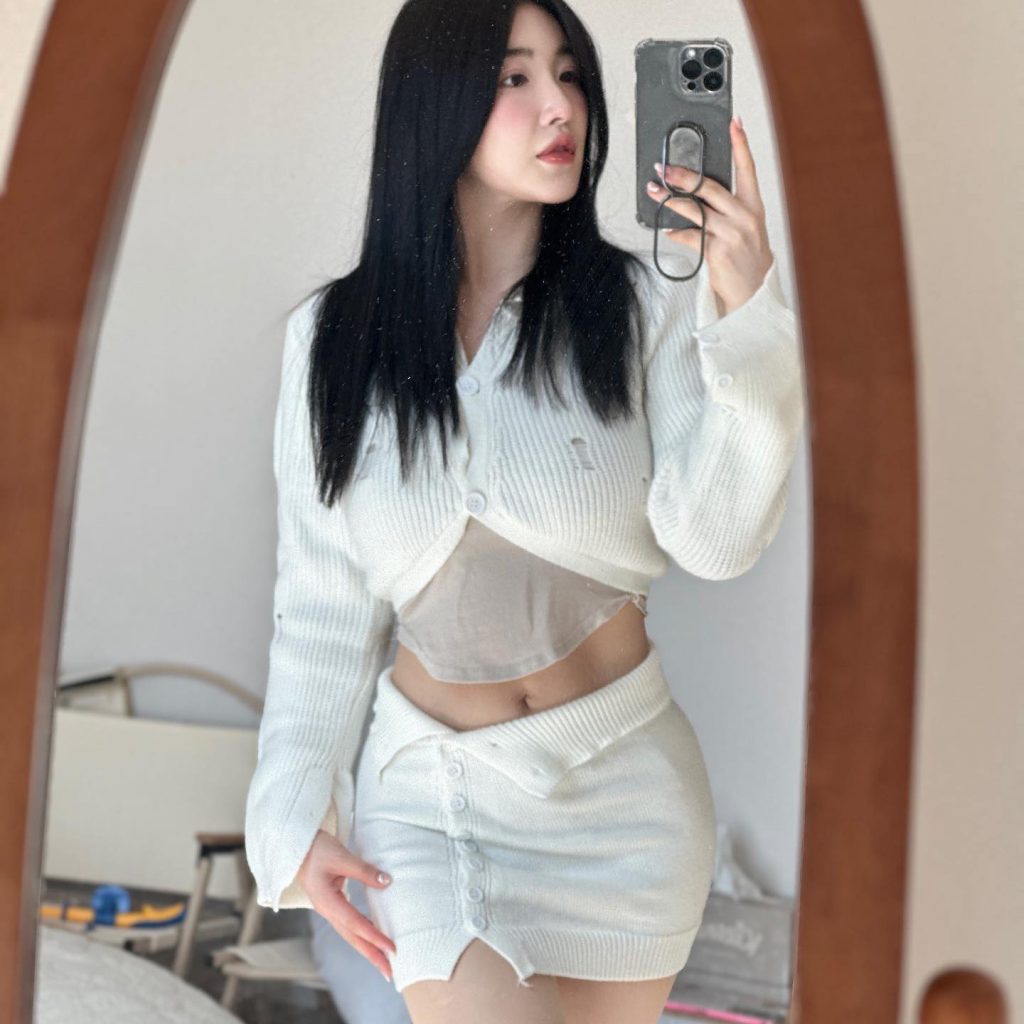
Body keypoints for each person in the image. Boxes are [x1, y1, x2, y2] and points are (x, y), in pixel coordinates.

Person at [244, 0, 805, 1021]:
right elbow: (321, 607)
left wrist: (747, 320)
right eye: (515, 78)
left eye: (571, 75)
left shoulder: (639, 306)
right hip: (434, 804)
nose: (560, 106)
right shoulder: (332, 340)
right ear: (435, 100)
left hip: (628, 808)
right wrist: (292, 819)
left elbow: (716, 542)